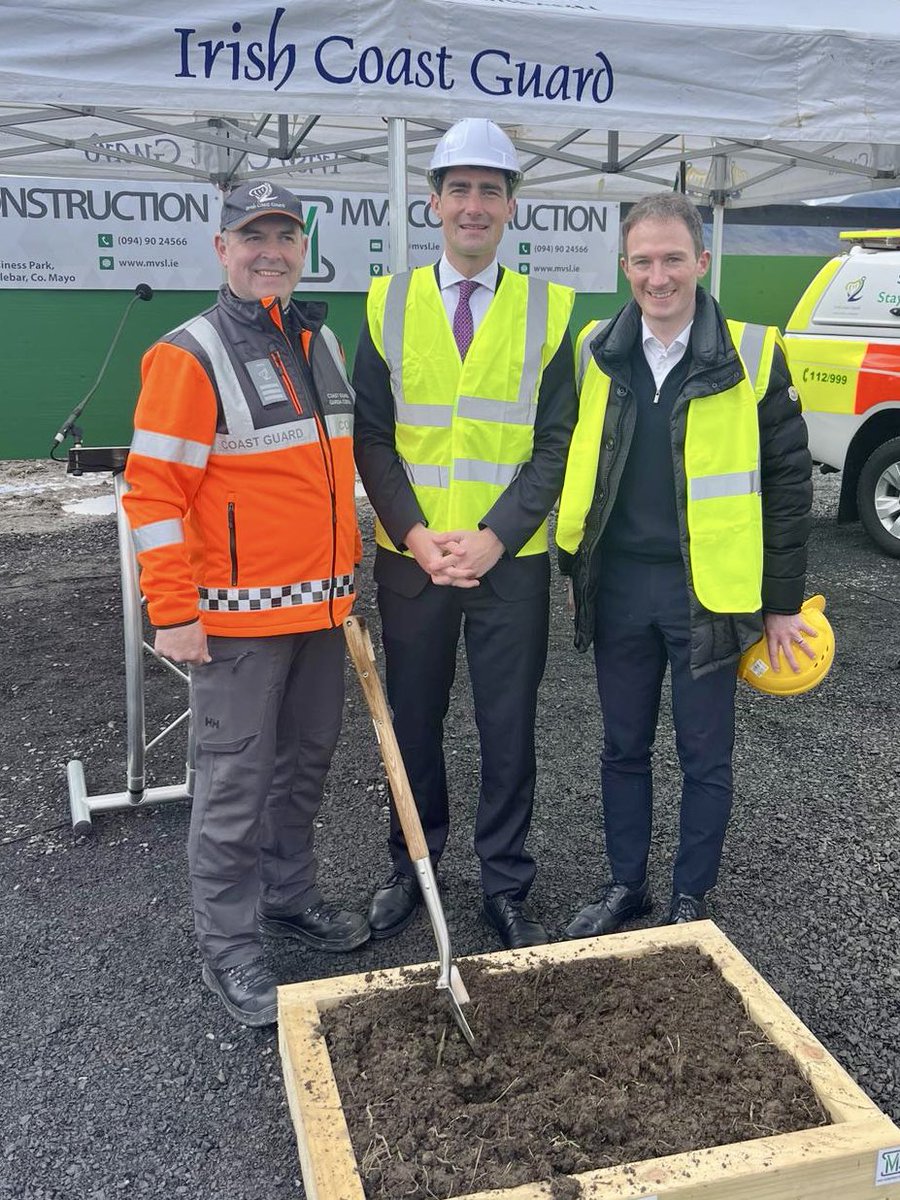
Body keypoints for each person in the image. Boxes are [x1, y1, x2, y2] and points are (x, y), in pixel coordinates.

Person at [123, 180, 369, 1027]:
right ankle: (228, 946)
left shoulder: (316, 339)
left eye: (285, 237)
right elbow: (152, 493)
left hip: (320, 613)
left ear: (303, 248)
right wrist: (173, 610)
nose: (271, 251)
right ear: (221, 248)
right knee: (233, 784)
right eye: (252, 236)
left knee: (303, 769)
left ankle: (289, 894)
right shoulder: (188, 354)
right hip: (232, 622)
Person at [556, 192, 815, 937]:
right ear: (624, 266)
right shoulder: (596, 348)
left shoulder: (753, 352)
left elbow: (791, 487)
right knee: (622, 747)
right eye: (643, 260)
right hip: (620, 587)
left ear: (702, 261)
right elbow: (585, 467)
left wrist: (783, 600)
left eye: (673, 258)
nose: (658, 276)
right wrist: (577, 569)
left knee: (705, 755)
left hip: (709, 590)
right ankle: (625, 885)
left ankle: (689, 899)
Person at [352, 118, 578, 950]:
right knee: (410, 722)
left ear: (511, 206)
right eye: (459, 189)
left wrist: (495, 533)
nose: (473, 205)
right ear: (435, 202)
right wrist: (412, 533)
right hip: (413, 562)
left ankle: (504, 882)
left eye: (490, 190)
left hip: (505, 563)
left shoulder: (549, 311)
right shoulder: (387, 301)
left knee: (506, 725)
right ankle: (411, 869)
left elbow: (556, 443)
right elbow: (372, 438)